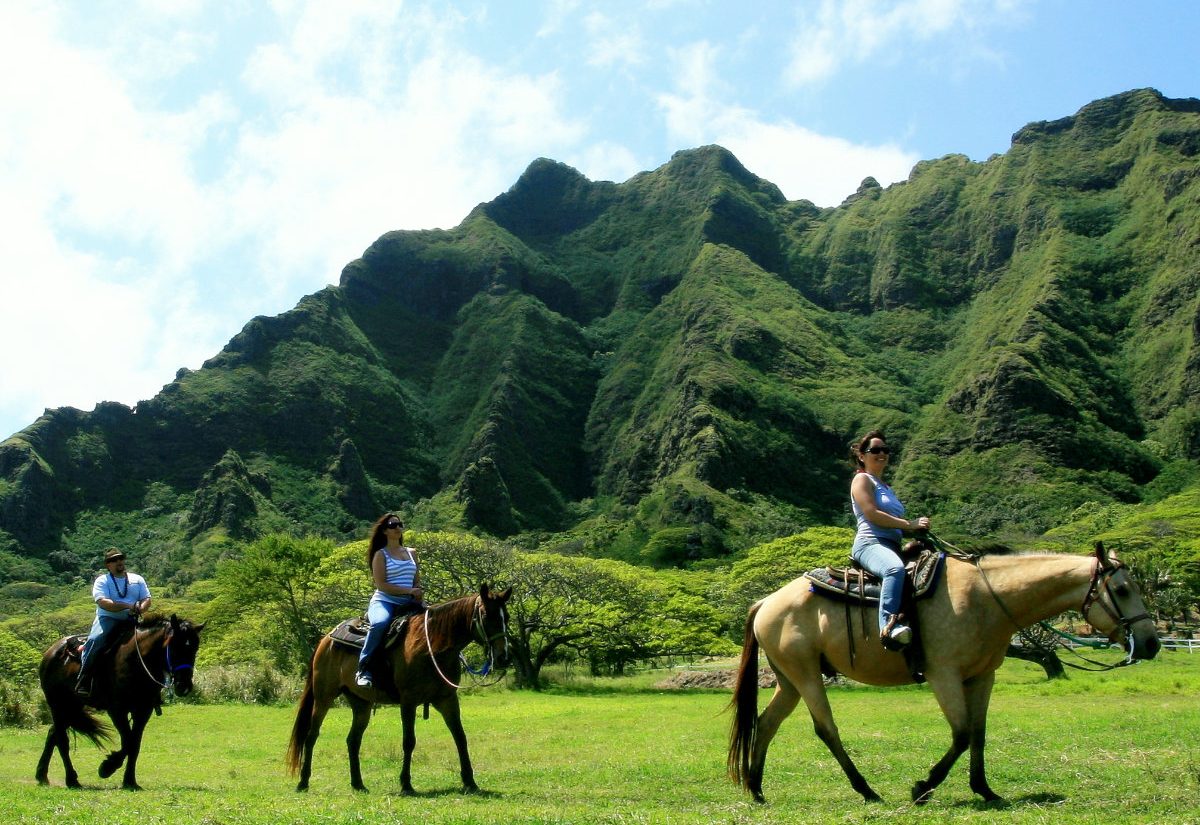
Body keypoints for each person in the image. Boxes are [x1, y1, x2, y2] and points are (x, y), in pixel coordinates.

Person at [849, 431, 930, 650]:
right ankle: (889, 627)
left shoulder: (886, 487)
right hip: (870, 543)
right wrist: (908, 525)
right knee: (894, 569)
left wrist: (917, 530)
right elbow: (872, 514)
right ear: (862, 456)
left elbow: (896, 522)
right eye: (875, 450)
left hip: (892, 545)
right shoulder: (862, 479)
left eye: (885, 449)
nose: (881, 453)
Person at [355, 514, 423, 688]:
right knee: (380, 623)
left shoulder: (412, 553)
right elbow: (382, 585)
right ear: (385, 530)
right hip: (385, 601)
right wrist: (409, 590)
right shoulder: (381, 554)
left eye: (400, 524)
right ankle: (364, 668)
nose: (398, 528)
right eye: (393, 525)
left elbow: (416, 580)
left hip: (409, 603)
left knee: (437, 622)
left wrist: (417, 592)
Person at [76, 547, 152, 696]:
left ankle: (156, 687)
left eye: (120, 558)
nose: (118, 562)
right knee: (95, 640)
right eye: (113, 560)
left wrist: (141, 609)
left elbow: (147, 598)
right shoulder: (102, 581)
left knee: (154, 642)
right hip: (108, 619)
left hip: (132, 620)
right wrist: (127, 606)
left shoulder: (137, 579)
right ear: (108, 565)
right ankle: (84, 678)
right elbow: (103, 602)